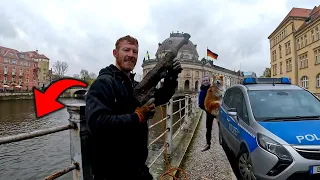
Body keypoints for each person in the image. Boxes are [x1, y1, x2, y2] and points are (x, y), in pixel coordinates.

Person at [85, 35, 181, 180]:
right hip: (112, 172)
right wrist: (138, 117)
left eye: (135, 52)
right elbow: (97, 123)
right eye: (126, 50)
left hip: (137, 168)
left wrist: (172, 78)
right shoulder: (103, 83)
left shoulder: (134, 85)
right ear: (115, 53)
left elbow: (161, 97)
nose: (131, 55)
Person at [198, 76, 216, 152]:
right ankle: (208, 144)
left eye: (207, 80)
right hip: (209, 112)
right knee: (208, 128)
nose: (205, 81)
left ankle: (225, 141)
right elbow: (200, 104)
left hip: (217, 110)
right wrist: (207, 110)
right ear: (202, 82)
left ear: (209, 81)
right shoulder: (202, 91)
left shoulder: (212, 89)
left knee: (222, 125)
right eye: (204, 80)